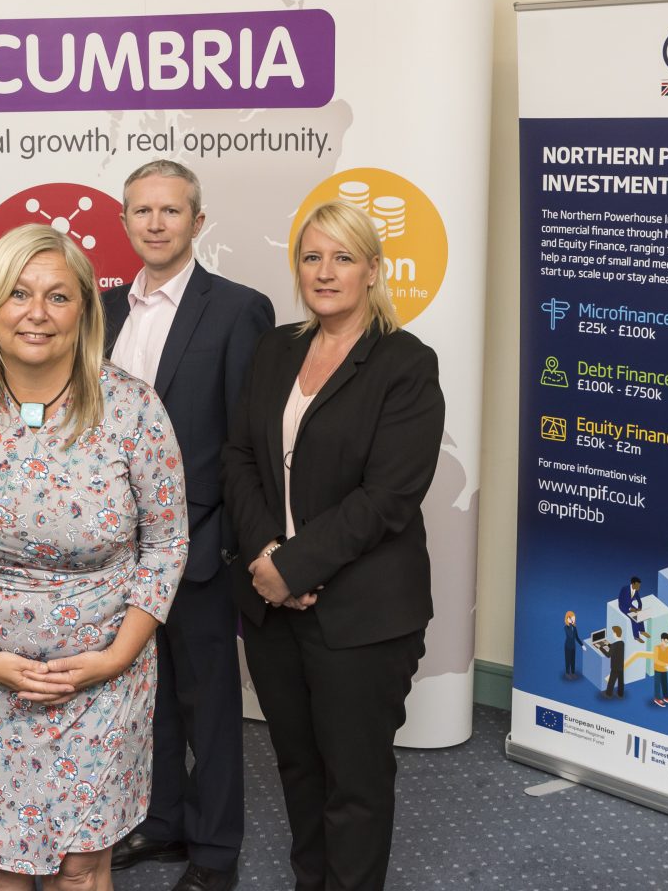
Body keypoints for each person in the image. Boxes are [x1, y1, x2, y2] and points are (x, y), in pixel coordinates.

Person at [0, 224, 188, 889]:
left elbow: (168, 543)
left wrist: (117, 656)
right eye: (19, 294)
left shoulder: (133, 408)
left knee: (83, 871)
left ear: (85, 309)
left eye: (59, 297)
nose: (37, 313)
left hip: (104, 682)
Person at [221, 200, 444, 891]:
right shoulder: (276, 347)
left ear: (373, 271)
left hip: (362, 615)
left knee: (355, 784)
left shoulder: (405, 363)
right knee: (298, 766)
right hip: (272, 604)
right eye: (312, 257)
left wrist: (294, 565)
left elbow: (389, 497)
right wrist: (266, 556)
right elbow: (239, 458)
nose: (325, 272)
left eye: (343, 257)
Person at [102, 160, 272, 891]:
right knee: (147, 696)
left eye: (171, 211)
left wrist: (233, 542)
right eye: (142, 211)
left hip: (200, 543)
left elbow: (247, 440)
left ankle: (214, 850)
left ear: (197, 223)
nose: (156, 223)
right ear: (125, 222)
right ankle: (162, 822)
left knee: (208, 703)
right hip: (115, 547)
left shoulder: (238, 308)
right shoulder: (100, 309)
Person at [616, 577, 648, 641]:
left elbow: (639, 600)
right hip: (623, 606)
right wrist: (630, 609)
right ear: (633, 584)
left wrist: (639, 608)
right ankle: (636, 636)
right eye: (637, 585)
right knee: (634, 619)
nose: (639, 587)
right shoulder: (625, 589)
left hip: (630, 605)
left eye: (639, 585)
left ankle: (642, 631)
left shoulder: (636, 591)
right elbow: (621, 600)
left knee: (640, 615)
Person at [651, 631, 668, 707]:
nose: (667, 644)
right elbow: (656, 660)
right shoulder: (657, 648)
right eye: (666, 642)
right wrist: (666, 664)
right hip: (658, 669)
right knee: (657, 684)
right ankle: (657, 698)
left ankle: (666, 697)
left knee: (665, 684)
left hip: (665, 669)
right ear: (662, 640)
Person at [603, 626, 626, 698]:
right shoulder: (622, 643)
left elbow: (608, 655)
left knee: (611, 681)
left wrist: (601, 648)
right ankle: (620, 693)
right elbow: (615, 649)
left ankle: (608, 693)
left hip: (615, 666)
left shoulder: (614, 645)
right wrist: (608, 644)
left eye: (613, 632)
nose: (613, 634)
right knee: (620, 681)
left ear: (615, 633)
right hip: (621, 665)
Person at [562, 611, 582, 679]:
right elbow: (570, 635)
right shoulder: (566, 627)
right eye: (572, 618)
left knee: (573, 660)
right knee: (568, 660)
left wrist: (582, 645)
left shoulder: (574, 627)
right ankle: (567, 673)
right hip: (567, 646)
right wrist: (571, 624)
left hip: (573, 646)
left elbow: (576, 637)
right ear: (568, 618)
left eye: (574, 618)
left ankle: (573, 673)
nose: (574, 620)